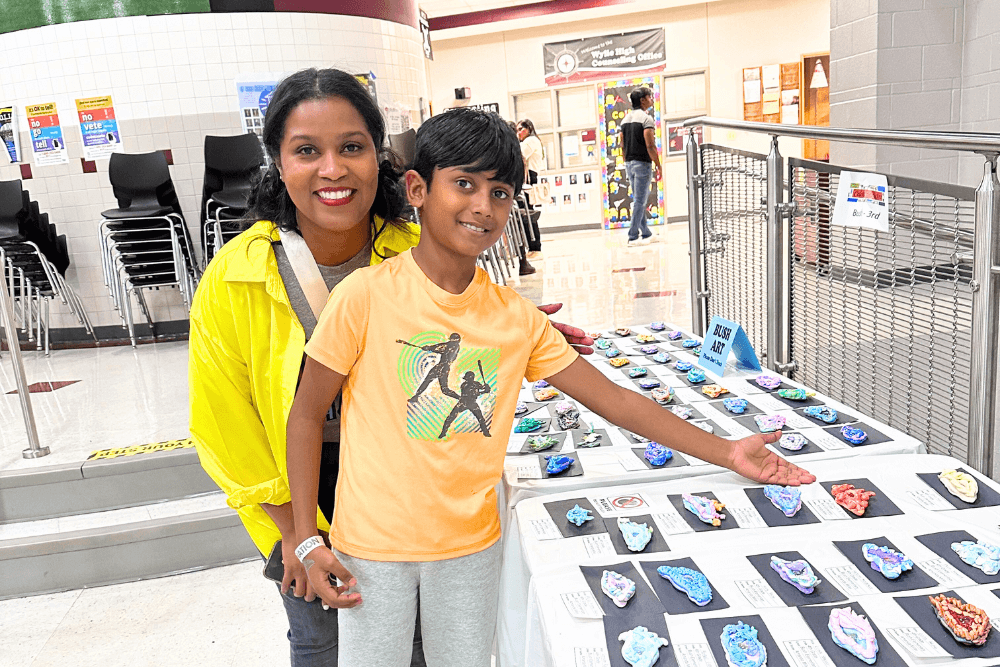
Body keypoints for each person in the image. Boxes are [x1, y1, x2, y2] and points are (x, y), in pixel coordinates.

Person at [285, 108, 815, 667]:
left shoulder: (516, 319)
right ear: (417, 188)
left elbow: (617, 401)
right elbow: (306, 415)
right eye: (463, 184)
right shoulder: (365, 297)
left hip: (470, 547)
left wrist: (729, 451)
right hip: (370, 546)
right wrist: (304, 537)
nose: (481, 207)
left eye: (500, 192)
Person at [188, 68, 593, 667]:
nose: (332, 169)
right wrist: (299, 533)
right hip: (295, 495)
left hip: (405, 495)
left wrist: (526, 337)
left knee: (431, 647)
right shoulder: (237, 276)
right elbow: (226, 429)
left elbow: (462, 321)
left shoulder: (409, 243)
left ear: (379, 159)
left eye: (351, 147)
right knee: (325, 643)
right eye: (307, 151)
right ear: (277, 161)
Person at [621, 86, 662, 246]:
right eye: (650, 97)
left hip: (629, 164)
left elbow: (622, 144)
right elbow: (650, 145)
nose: (652, 99)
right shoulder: (646, 119)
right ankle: (633, 236)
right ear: (643, 100)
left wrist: (626, 161)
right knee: (640, 200)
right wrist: (658, 164)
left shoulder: (625, 119)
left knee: (640, 199)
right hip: (642, 163)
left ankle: (646, 233)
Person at [516, 119, 544, 263]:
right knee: (525, 214)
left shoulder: (531, 141)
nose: (519, 133)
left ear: (529, 129)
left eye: (522, 129)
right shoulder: (529, 141)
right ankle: (532, 247)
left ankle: (535, 248)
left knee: (528, 213)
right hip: (527, 178)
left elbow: (519, 155)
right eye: (517, 130)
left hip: (529, 178)